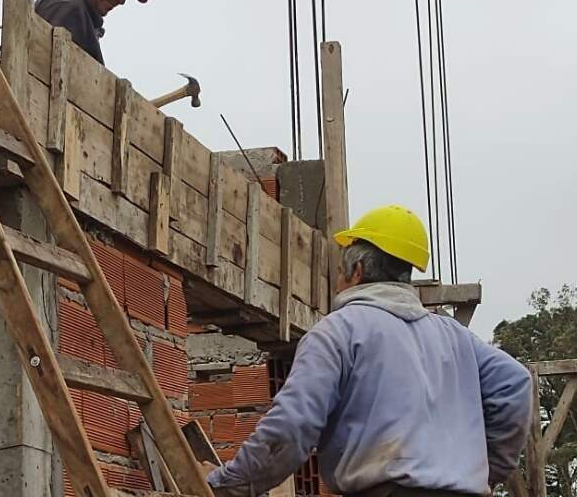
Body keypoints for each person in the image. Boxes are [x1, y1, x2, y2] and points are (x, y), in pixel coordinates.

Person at [204, 205, 533, 497]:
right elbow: (515, 384)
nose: (336, 282)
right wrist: (484, 469)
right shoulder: (456, 337)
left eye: (340, 272)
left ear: (357, 271)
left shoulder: (339, 332)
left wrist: (231, 484)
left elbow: (291, 427)